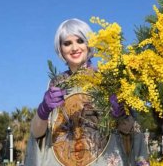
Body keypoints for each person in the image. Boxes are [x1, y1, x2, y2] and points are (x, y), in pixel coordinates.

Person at [24, 18, 148, 166]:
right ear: (60, 49)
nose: (74, 47)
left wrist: (121, 115)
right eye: (67, 43)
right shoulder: (56, 84)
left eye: (80, 41)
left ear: (89, 44)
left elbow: (132, 132)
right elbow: (38, 135)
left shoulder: (109, 79)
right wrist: (43, 110)